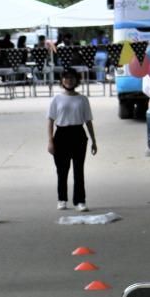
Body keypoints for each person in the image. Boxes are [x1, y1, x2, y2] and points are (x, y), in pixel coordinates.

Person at [47, 68, 98, 212]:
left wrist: (94, 141)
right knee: (62, 170)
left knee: (78, 170)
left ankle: (80, 201)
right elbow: (50, 121)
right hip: (61, 135)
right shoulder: (56, 99)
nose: (69, 80)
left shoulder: (82, 99)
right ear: (62, 81)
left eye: (72, 78)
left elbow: (88, 121)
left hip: (78, 135)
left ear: (77, 80)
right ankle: (62, 199)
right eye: (66, 78)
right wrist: (50, 141)